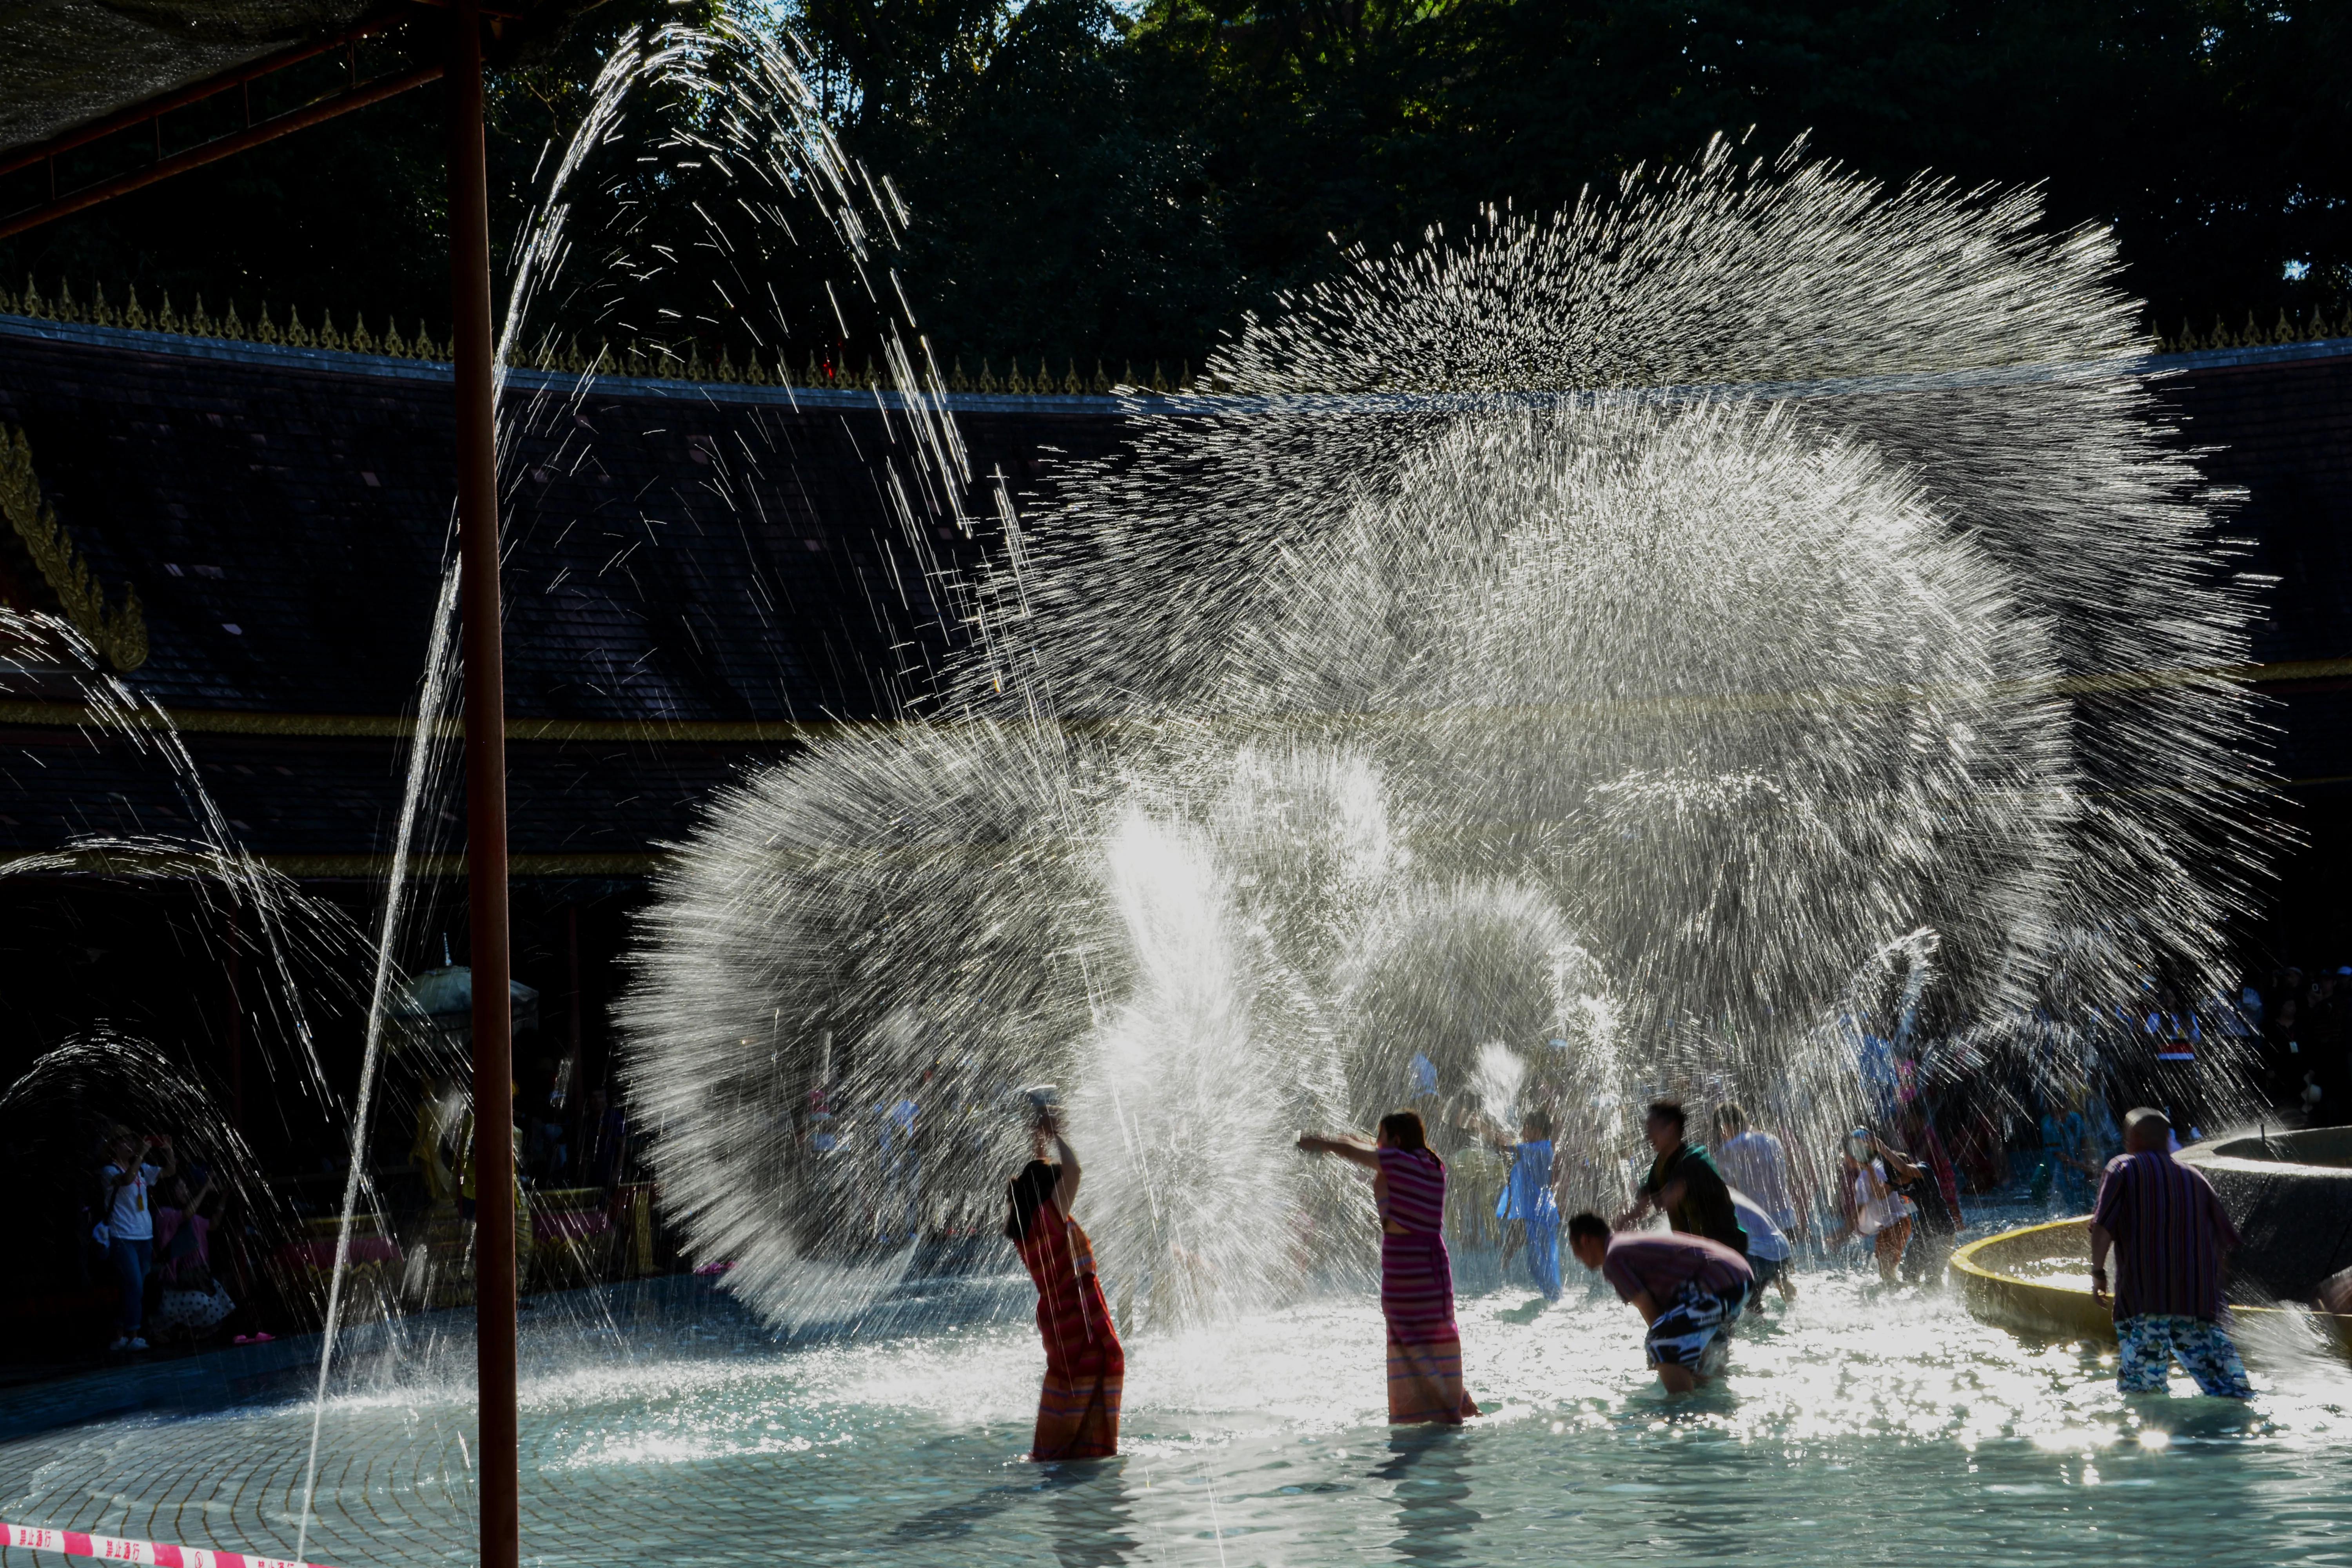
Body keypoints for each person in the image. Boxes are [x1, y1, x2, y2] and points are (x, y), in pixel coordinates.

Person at [1299, 1110, 1481, 1424]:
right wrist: (1342, 1141)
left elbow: (1355, 1151)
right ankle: (1460, 1404)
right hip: (1434, 1270)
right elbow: (1363, 1146)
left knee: (1411, 1343)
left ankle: (1447, 1413)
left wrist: (1323, 1144)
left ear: (1396, 1142)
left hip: (1407, 1271)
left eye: (1381, 1138)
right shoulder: (1432, 1164)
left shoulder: (1396, 1165)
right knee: (1434, 1338)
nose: (1377, 1145)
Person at [2090, 1107, 2253, 1399]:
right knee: (2232, 1392)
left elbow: (2103, 1227)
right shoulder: (2195, 1177)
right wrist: (2215, 1293)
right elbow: (2222, 1243)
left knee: (2143, 1395)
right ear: (2167, 1140)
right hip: (2197, 1302)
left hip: (2145, 1301)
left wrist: (2098, 1274)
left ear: (2134, 1138)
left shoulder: (2122, 1168)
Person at [1007, 1109, 1124, 1459]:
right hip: (1080, 1317)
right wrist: (1056, 1133)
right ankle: (1089, 1450)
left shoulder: (1025, 1229)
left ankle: (1058, 1449)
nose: (1065, 1189)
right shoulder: (1051, 1219)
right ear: (1048, 1194)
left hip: (1057, 1321)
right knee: (1097, 1372)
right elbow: (1075, 1170)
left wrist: (1040, 1140)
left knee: (1067, 1384)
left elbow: (1038, 1177)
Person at [1567, 1211, 1753, 1394]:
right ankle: (1715, 1404)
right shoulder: (1625, 1244)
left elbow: (1648, 1308)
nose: (1577, 1258)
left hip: (1717, 1282)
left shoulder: (1613, 1258)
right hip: (1738, 1277)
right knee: (1707, 1362)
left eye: (1574, 1248)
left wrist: (1665, 1348)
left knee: (1662, 1343)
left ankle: (1681, 1413)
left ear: (1585, 1240)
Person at [1615, 1100, 1747, 1257]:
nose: (1647, 1136)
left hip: (1726, 1253)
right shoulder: (1660, 1165)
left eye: (1651, 1129)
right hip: (1698, 1255)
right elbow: (1643, 1206)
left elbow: (1669, 1197)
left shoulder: (1694, 1160)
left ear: (1670, 1128)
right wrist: (1618, 1227)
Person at [1470, 1107, 1561, 1301]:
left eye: (1526, 1129)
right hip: (1531, 1214)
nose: (1523, 1133)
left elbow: (1507, 1144)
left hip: (1539, 1214)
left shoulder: (1541, 1148)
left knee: (1541, 1261)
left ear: (1536, 1130)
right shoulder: (1536, 1149)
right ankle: (1503, 1283)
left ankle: (1553, 1297)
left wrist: (1483, 1127)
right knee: (1528, 1257)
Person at [100, 1129, 174, 1351]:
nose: (132, 1144)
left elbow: (170, 1171)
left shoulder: (142, 1169)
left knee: (133, 1287)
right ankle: (133, 1335)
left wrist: (169, 1151)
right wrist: (141, 1154)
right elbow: (126, 1179)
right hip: (122, 1236)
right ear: (115, 1146)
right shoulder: (108, 1170)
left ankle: (119, 1333)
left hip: (145, 1236)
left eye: (133, 1140)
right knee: (135, 1286)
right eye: (126, 1141)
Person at [1827, 1128, 1913, 1283]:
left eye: (1845, 1154)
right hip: (1898, 1225)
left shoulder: (1864, 1178)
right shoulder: (1880, 1167)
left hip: (1893, 1227)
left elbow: (1857, 1213)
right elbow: (1903, 1197)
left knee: (1887, 1275)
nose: (1843, 1158)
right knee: (1888, 1273)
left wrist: (1840, 1237)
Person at [1712, 1103, 1801, 1239]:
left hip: (1758, 1227)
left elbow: (1727, 1193)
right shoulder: (1773, 1141)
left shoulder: (1730, 1150)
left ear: (1726, 1127)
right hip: (1787, 1221)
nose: (1723, 1137)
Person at [1728, 1188, 1795, 1307]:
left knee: (1750, 1302)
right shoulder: (1731, 1193)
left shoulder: (1714, 1199)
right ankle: (1796, 1311)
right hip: (1782, 1247)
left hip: (1761, 1256)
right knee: (1781, 1282)